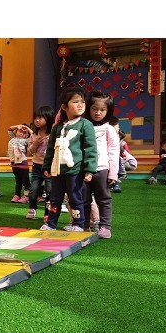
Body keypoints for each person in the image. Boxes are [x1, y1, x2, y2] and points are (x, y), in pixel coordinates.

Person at [40, 87, 97, 232]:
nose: (80, 105)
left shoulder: (85, 124)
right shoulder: (57, 127)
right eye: (75, 102)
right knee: (55, 198)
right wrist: (47, 166)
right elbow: (51, 148)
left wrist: (89, 169)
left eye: (82, 102)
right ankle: (51, 223)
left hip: (75, 170)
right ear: (64, 107)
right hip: (57, 170)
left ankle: (78, 224)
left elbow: (90, 148)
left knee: (75, 197)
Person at [77, 91, 119, 239]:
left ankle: (105, 226)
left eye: (102, 110)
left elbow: (114, 151)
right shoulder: (82, 125)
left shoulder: (109, 129)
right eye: (94, 109)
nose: (98, 113)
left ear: (108, 111)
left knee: (104, 199)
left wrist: (113, 173)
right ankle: (84, 225)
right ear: (88, 108)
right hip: (83, 169)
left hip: (102, 169)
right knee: (84, 199)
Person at [27, 106, 54, 220]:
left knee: (49, 190)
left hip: (49, 166)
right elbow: (30, 151)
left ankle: (48, 213)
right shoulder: (34, 135)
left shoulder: (53, 133)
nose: (37, 120)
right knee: (34, 189)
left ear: (48, 118)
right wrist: (36, 143)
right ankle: (32, 208)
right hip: (37, 165)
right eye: (35, 118)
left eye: (40, 118)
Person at [7, 124, 31, 204]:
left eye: (24, 133)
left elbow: (33, 135)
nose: (22, 134)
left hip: (23, 164)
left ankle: (26, 196)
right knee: (18, 181)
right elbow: (10, 129)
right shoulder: (12, 138)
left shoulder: (25, 141)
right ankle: (17, 195)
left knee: (26, 182)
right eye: (20, 131)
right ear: (16, 132)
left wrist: (28, 129)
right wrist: (18, 126)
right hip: (14, 164)